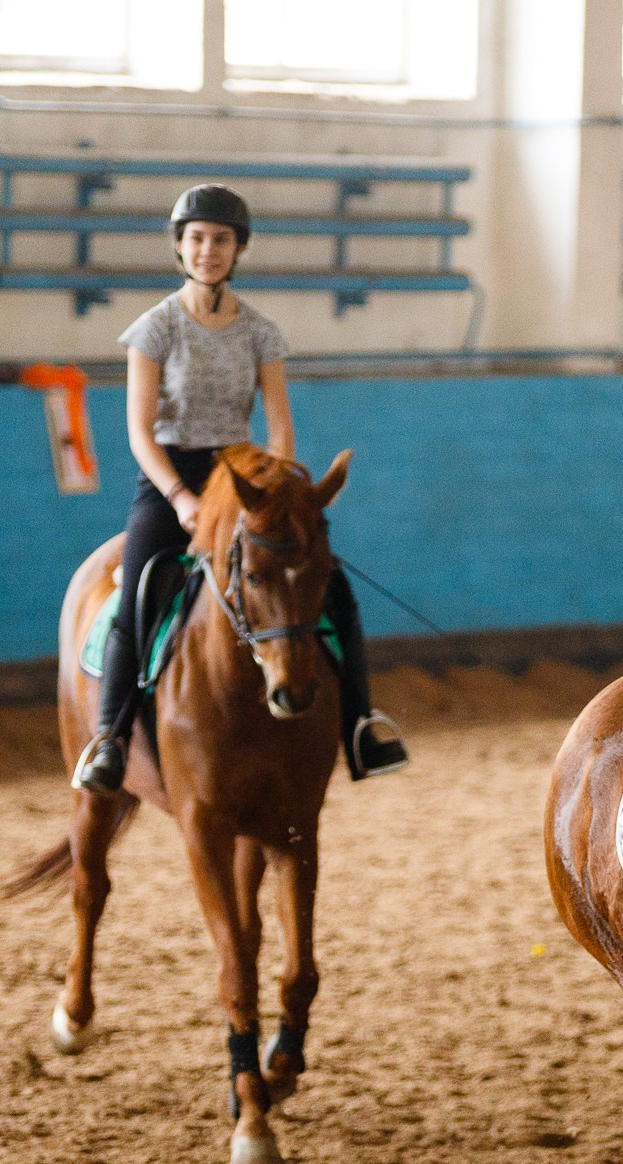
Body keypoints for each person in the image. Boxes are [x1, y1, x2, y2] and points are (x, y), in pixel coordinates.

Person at [73, 183, 406, 795]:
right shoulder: (154, 329)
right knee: (140, 591)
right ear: (180, 247)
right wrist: (178, 496)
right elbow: (139, 431)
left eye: (221, 240)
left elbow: (280, 425)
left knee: (331, 587)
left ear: (238, 248)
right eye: (197, 239)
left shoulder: (260, 332)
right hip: (171, 478)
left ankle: (361, 725)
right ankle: (110, 738)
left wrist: (276, 489)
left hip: (244, 476)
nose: (209, 250)